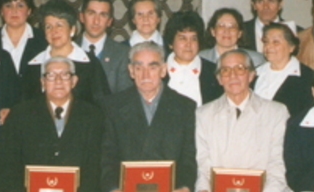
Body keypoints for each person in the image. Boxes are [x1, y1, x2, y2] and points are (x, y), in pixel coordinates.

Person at [0, 56, 104, 192]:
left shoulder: (93, 116)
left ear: (74, 81)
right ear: (42, 82)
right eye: (51, 75)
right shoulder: (20, 114)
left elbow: (96, 166)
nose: (58, 81)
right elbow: (7, 164)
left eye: (65, 75)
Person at [100, 42, 197, 192]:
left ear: (163, 70)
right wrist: (113, 188)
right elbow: (107, 157)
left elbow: (188, 157)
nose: (145, 75)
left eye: (152, 67)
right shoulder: (112, 106)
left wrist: (184, 187)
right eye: (139, 68)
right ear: (131, 71)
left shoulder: (184, 107)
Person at [194, 50, 288, 192]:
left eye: (240, 68)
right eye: (225, 70)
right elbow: (203, 167)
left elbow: (277, 165)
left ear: (251, 75)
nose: (233, 75)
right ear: (219, 79)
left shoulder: (276, 113)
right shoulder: (204, 115)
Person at [24, 0, 110, 105]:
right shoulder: (34, 65)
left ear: (72, 29)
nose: (54, 31)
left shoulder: (90, 64)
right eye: (48, 26)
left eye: (59, 25)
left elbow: (103, 104)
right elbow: (25, 107)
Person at [0, 0, 48, 97]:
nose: (14, 11)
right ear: (1, 11)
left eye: (20, 5)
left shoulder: (43, 39)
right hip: (0, 106)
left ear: (29, 11)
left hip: (35, 106)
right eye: (8, 5)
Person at [251, 23, 314, 116]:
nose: (269, 46)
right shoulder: (254, 73)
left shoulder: (307, 77)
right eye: (266, 41)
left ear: (291, 47)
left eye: (275, 42)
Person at [162, 10, 222, 105]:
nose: (188, 44)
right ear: (170, 43)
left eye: (193, 38)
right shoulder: (158, 71)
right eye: (182, 38)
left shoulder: (213, 72)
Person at [76, 0, 132, 93]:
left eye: (103, 15)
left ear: (109, 21)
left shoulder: (123, 54)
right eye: (91, 13)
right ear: (81, 17)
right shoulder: (68, 50)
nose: (96, 21)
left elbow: (124, 99)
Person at [199, 8, 267, 66]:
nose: (227, 31)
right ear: (213, 31)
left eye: (232, 27)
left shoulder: (256, 60)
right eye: (221, 26)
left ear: (239, 33)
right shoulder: (200, 59)